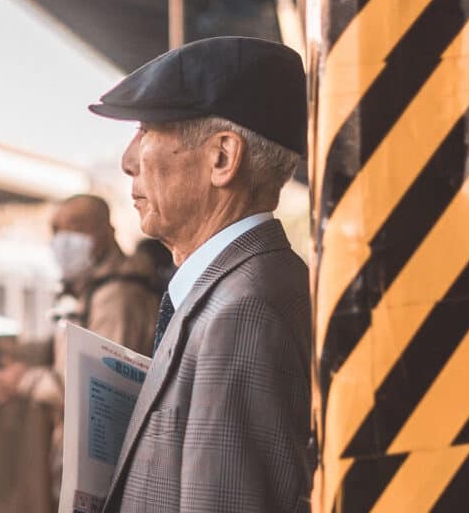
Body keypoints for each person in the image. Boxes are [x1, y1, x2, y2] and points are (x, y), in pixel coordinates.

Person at [89, 36, 312, 512]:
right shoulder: (233, 291)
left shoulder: (243, 315)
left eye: (147, 131)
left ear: (222, 159)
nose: (128, 160)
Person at [0, 194, 160, 508]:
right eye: (56, 230)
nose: (63, 240)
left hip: (102, 464)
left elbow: (101, 391)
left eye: (76, 227)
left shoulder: (117, 297)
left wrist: (25, 381)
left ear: (106, 230)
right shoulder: (90, 288)